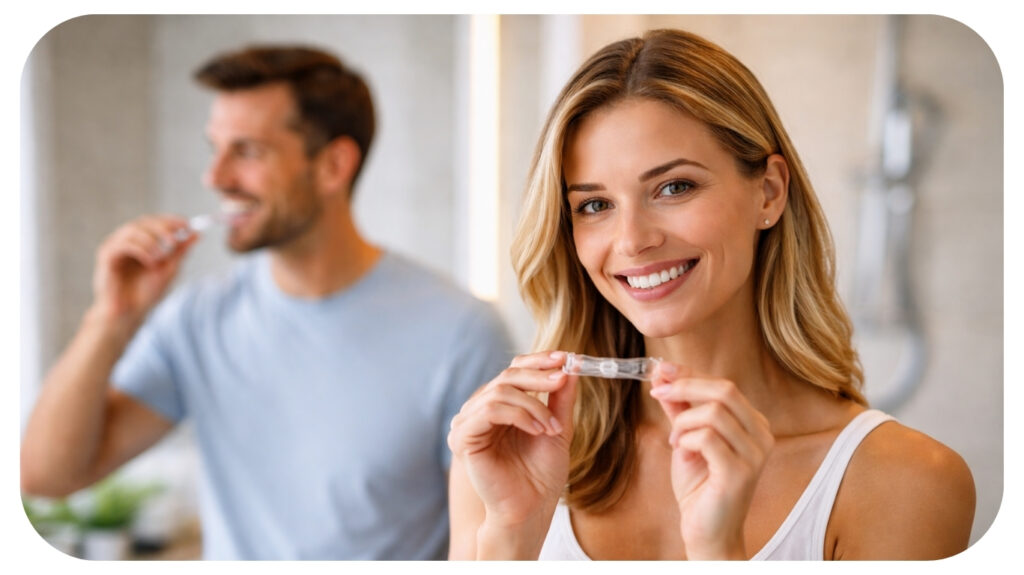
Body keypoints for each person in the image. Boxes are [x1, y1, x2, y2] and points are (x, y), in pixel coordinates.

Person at [446, 29, 975, 560]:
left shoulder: (906, 482)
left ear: (768, 192)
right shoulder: (506, 457)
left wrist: (719, 552)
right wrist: (512, 535)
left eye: (674, 187)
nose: (632, 240)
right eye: (595, 205)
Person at [21, 44, 514, 560]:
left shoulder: (461, 333)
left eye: (248, 152)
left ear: (333, 165)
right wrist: (111, 318)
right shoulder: (196, 320)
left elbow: (489, 547)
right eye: (215, 149)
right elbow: (47, 476)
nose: (216, 178)